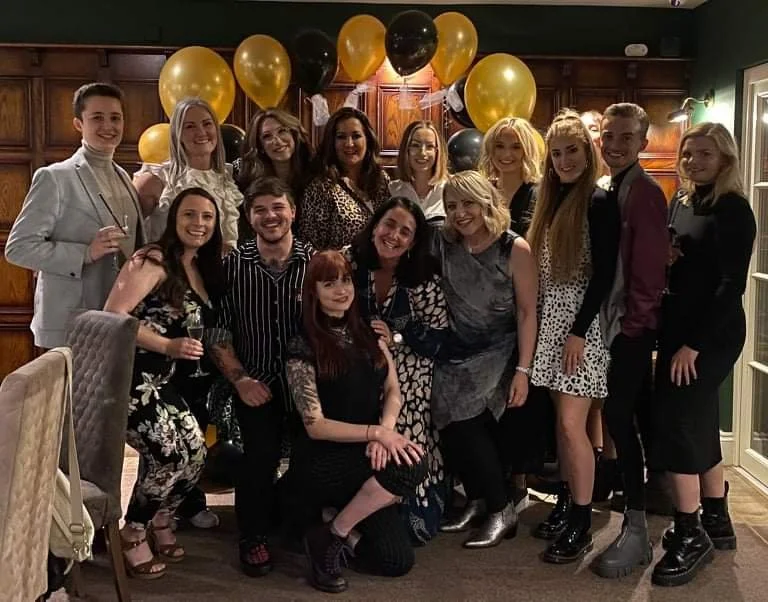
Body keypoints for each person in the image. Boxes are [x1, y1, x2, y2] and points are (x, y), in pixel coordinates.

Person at [651, 122, 756, 587]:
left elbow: (730, 285)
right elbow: (689, 258)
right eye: (689, 154)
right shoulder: (684, 200)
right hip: (678, 330)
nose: (693, 161)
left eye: (705, 155)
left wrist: (693, 345)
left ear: (725, 160)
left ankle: (689, 530)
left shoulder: (734, 209)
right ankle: (717, 518)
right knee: (699, 419)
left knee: (679, 425)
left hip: (708, 336)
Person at [286, 250, 427, 593]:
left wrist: (385, 434)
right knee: (412, 464)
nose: (341, 290)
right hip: (322, 460)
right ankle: (329, 533)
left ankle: (333, 527)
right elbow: (314, 424)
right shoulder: (302, 345)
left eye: (345, 280)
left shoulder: (369, 335)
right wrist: (376, 433)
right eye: (329, 283)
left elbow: (393, 389)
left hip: (365, 453)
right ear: (313, 292)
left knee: (396, 561)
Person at [103, 186, 224, 579]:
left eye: (207, 217)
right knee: (168, 455)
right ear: (174, 219)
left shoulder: (199, 264)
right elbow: (114, 315)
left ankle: (160, 520)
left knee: (195, 455)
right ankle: (132, 532)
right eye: (190, 214)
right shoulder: (151, 258)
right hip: (128, 379)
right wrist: (167, 344)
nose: (199, 224)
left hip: (162, 382)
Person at [527, 109, 620, 564]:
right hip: (551, 322)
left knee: (571, 425)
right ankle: (567, 501)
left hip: (581, 326)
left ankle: (583, 520)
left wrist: (579, 332)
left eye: (572, 150)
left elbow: (603, 276)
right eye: (557, 153)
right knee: (559, 428)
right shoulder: (554, 199)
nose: (564, 160)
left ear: (588, 151)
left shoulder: (598, 201)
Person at [208, 177, 313, 577]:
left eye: (278, 207)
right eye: (261, 210)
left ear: (293, 211)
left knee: (311, 461)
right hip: (255, 382)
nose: (270, 216)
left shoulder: (315, 261)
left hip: (306, 386)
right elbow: (217, 330)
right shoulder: (232, 265)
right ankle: (253, 536)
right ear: (249, 217)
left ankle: (290, 522)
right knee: (260, 460)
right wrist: (240, 381)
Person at [433, 170, 538, 548]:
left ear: (486, 203)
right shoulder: (444, 242)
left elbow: (528, 312)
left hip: (501, 349)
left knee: (466, 418)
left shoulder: (514, 248)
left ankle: (501, 507)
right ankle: (477, 499)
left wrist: (523, 370)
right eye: (452, 206)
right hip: (457, 346)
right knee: (444, 413)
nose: (460, 213)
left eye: (468, 204)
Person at [5, 82, 145, 350]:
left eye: (115, 118)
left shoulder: (125, 177)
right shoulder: (55, 177)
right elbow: (18, 248)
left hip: (118, 321)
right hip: (72, 325)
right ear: (78, 124)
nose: (109, 126)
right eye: (97, 118)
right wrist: (84, 253)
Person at [591, 103, 669, 578]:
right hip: (616, 324)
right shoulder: (612, 187)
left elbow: (648, 270)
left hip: (631, 329)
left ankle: (637, 529)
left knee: (619, 417)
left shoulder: (644, 192)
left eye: (625, 137)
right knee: (632, 416)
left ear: (642, 142)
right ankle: (641, 520)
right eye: (609, 136)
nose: (615, 145)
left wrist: (633, 328)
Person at [346, 196, 449, 544]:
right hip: (353, 357)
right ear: (375, 225)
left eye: (405, 231)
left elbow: (438, 336)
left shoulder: (423, 275)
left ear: (413, 241)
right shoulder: (349, 262)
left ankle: (401, 502)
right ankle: (351, 504)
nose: (394, 235)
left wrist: (399, 335)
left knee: (403, 402)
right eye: (389, 224)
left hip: (410, 360)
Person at [155, 97, 243, 252]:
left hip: (226, 273)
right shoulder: (159, 178)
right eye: (190, 126)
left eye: (207, 124)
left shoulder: (231, 175)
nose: (201, 132)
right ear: (178, 134)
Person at [299, 107, 389, 250]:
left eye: (356, 136)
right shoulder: (321, 187)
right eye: (341, 137)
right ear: (332, 143)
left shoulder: (382, 179)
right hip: (342, 271)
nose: (349, 143)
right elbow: (309, 246)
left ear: (368, 138)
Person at [478, 116, 542, 236]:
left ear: (527, 151)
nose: (507, 154)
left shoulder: (539, 194)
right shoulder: (482, 192)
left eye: (516, 147)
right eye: (500, 146)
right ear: (490, 148)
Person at [388, 120, 448, 225]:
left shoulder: (450, 189)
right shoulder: (392, 190)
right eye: (416, 145)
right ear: (406, 149)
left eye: (429, 146)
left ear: (437, 151)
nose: (422, 153)